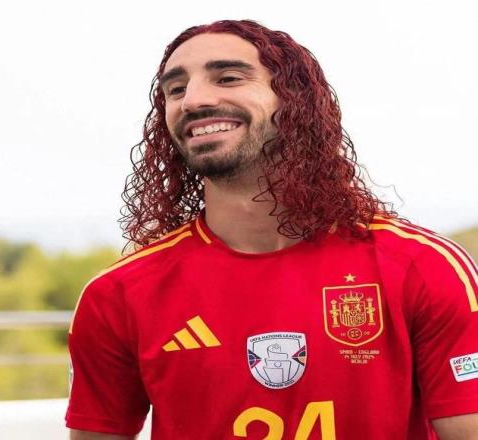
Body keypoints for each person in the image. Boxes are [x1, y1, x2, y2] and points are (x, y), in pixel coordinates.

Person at [65, 19, 478, 440]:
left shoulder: (424, 268)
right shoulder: (118, 294)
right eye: (176, 89)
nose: (193, 100)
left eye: (228, 78)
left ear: (295, 100)